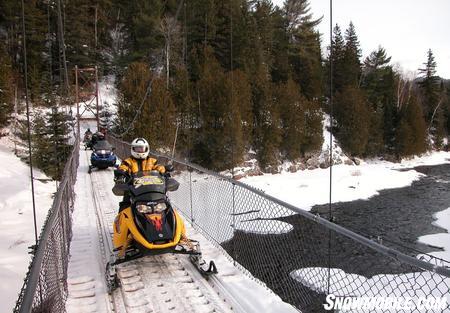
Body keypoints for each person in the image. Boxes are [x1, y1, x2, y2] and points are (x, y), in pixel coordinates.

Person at [113, 138, 166, 211]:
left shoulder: (152, 161)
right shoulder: (128, 161)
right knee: (125, 204)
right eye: (137, 148)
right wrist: (121, 173)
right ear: (133, 149)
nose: (140, 151)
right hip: (133, 189)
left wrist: (163, 170)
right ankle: (120, 220)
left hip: (150, 187)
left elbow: (158, 166)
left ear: (146, 149)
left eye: (142, 148)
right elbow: (124, 166)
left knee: (164, 202)